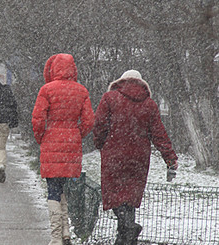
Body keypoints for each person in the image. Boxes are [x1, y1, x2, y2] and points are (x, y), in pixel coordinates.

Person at [93, 70, 179, 245]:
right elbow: (159, 134)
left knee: (114, 196)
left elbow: (99, 125)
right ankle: (125, 238)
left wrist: (100, 143)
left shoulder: (109, 98)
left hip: (114, 156)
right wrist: (170, 158)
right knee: (129, 199)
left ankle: (129, 229)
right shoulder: (149, 105)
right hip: (138, 159)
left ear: (121, 81)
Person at [32, 53, 94, 245]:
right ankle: (66, 232)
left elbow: (38, 119)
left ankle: (55, 237)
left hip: (51, 141)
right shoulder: (81, 91)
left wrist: (41, 137)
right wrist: (77, 134)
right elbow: (89, 121)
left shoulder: (47, 90)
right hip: (71, 143)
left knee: (52, 189)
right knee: (63, 189)